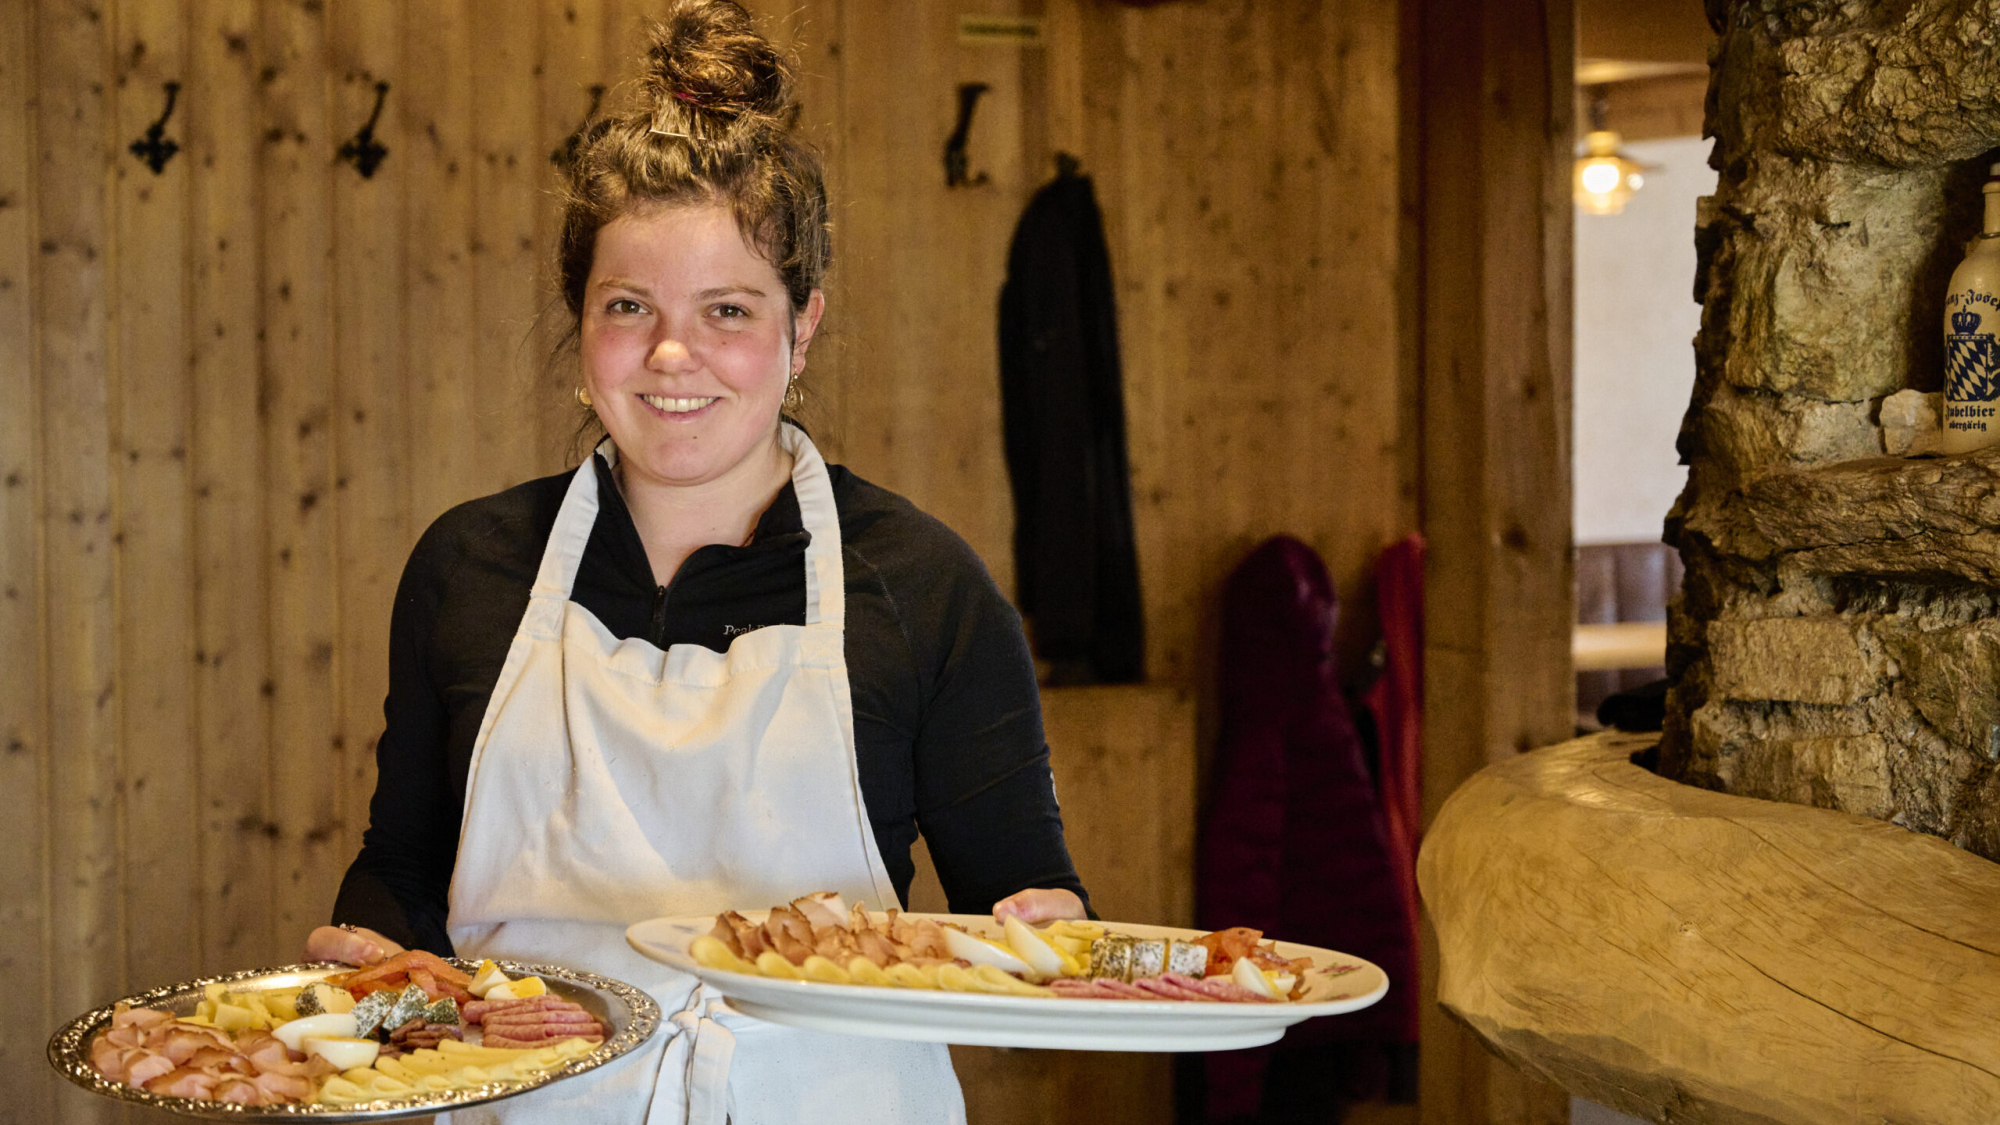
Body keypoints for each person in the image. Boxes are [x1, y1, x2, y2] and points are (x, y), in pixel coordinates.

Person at [302, 3, 1090, 1120]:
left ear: (800, 327)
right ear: (580, 321)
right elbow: (404, 871)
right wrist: (370, 992)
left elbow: (1022, 894)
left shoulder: (920, 587)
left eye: (728, 309)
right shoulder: (471, 567)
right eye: (629, 306)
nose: (673, 356)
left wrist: (1048, 933)